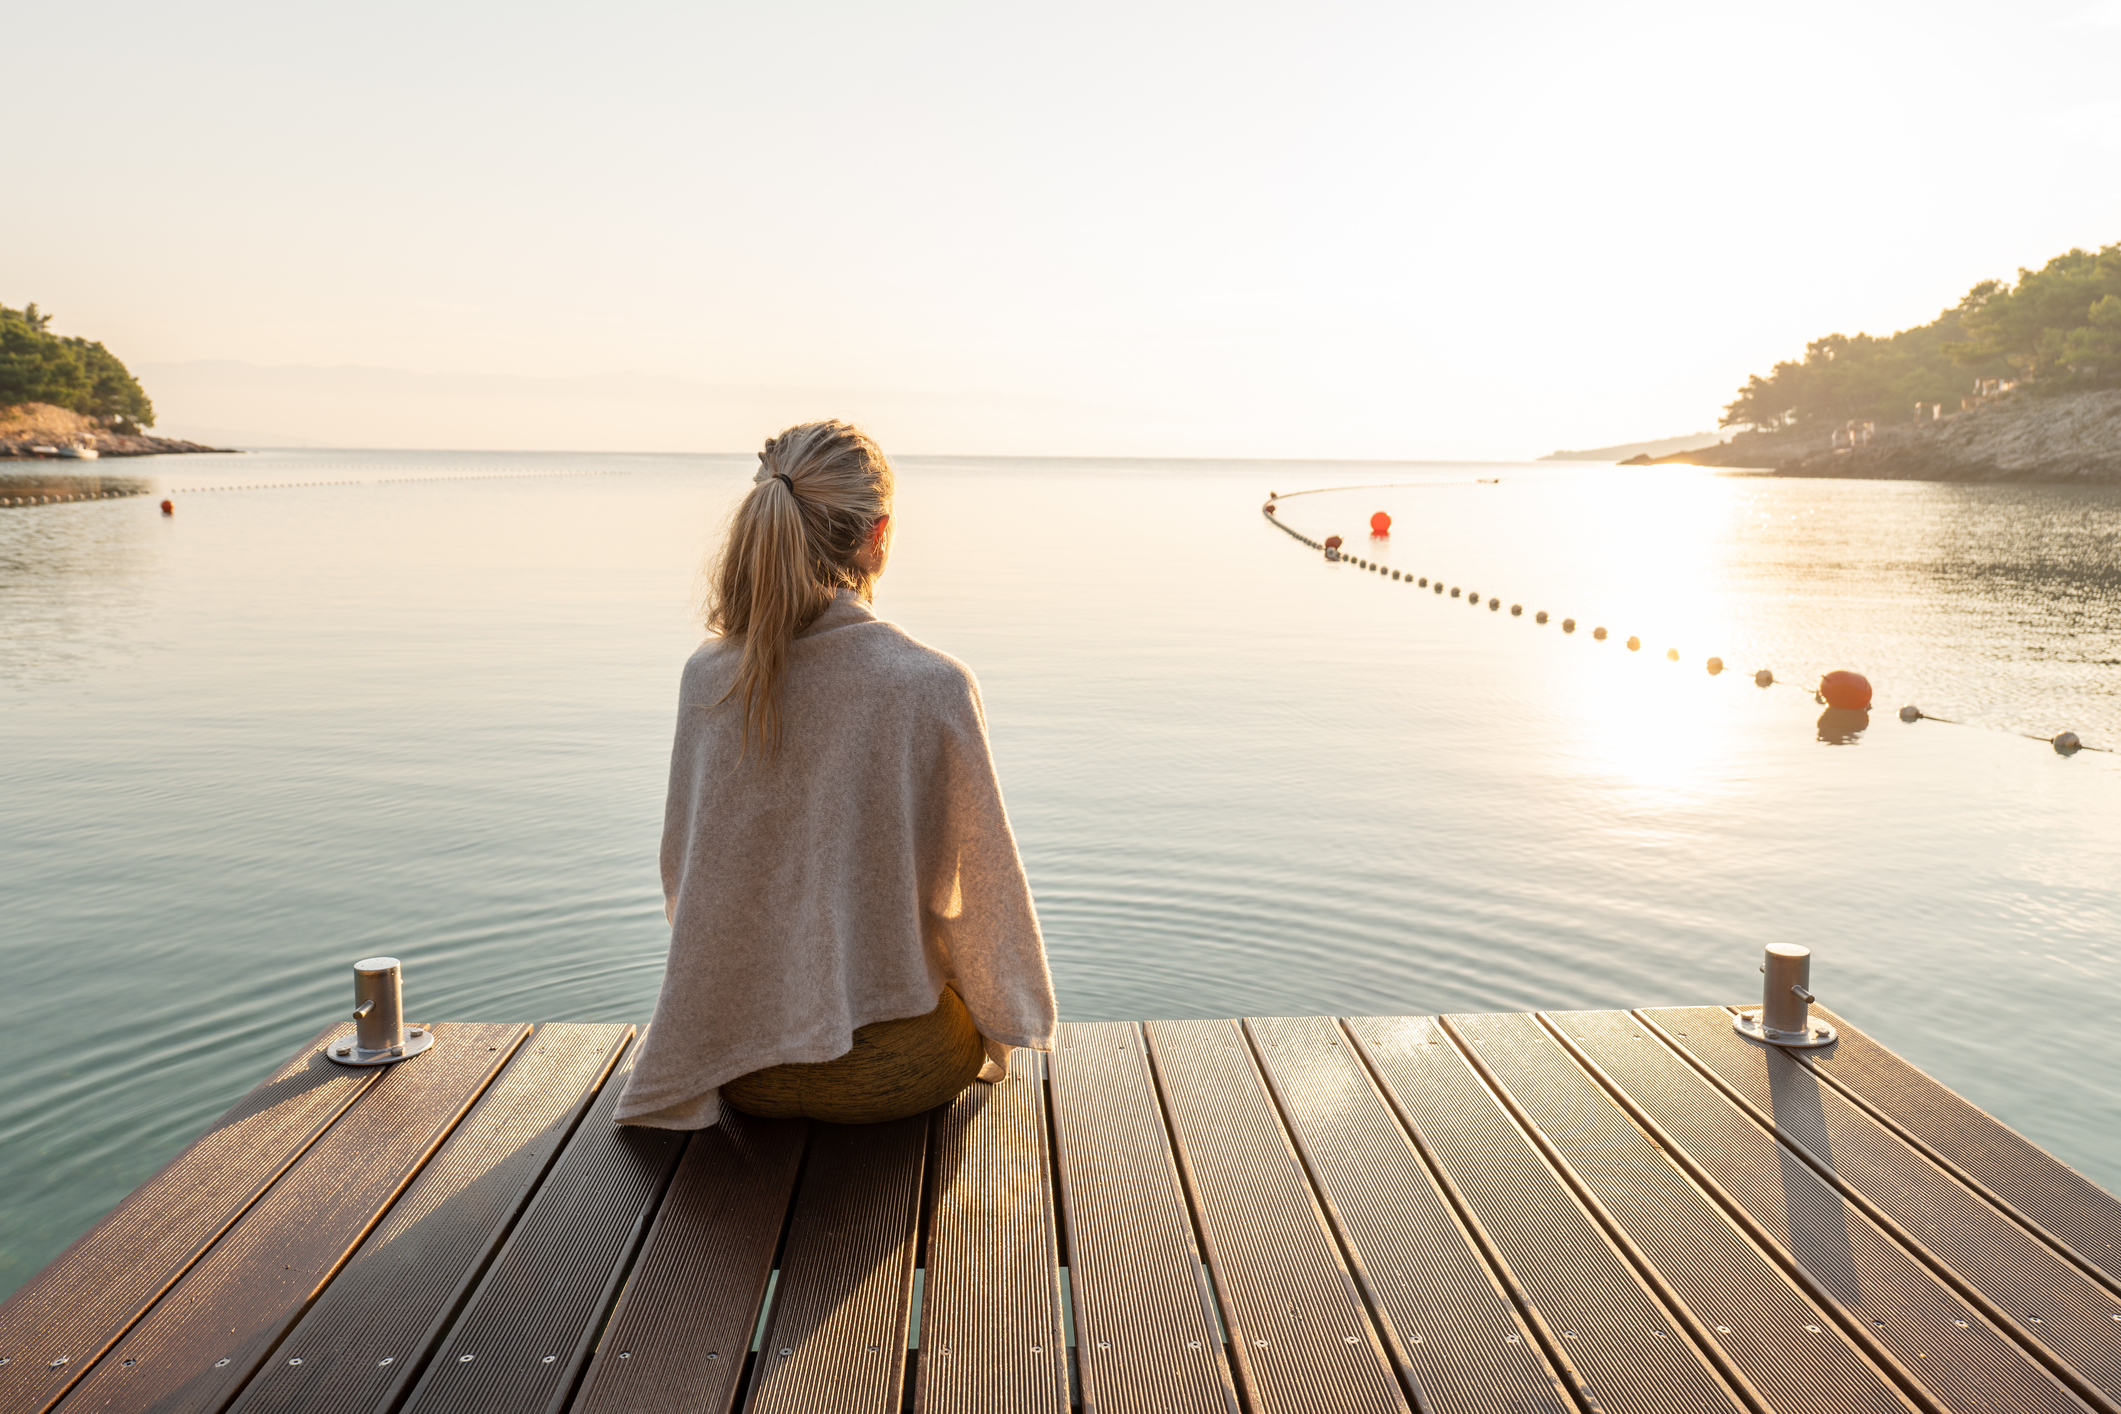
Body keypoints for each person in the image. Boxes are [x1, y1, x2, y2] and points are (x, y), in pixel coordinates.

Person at [615, 420, 1056, 1129]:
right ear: (876, 533)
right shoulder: (930, 684)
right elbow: (983, 901)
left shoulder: (708, 676)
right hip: (897, 1071)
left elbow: (682, 879)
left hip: (739, 1063)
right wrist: (1008, 1017)